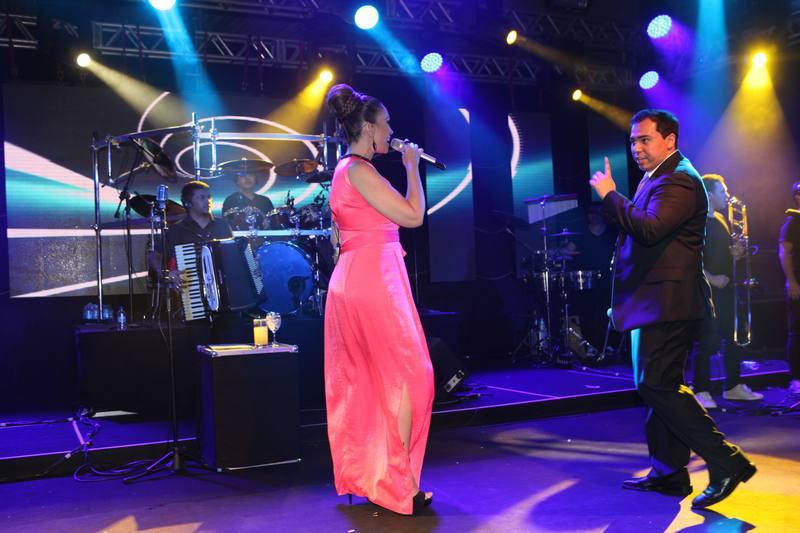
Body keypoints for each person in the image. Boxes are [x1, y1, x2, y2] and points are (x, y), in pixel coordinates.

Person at [589, 109, 756, 509]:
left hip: (669, 302)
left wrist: (611, 196)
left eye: (645, 139)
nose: (636, 148)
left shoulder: (679, 178)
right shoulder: (659, 175)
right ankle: (669, 472)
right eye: (633, 141)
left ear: (669, 140)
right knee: (655, 386)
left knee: (657, 386)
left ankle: (728, 461)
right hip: (653, 301)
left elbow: (649, 229)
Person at [323, 83, 434, 515]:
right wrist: (412, 167)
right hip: (373, 278)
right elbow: (413, 215)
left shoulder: (348, 171)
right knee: (409, 374)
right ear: (368, 127)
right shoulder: (357, 170)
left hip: (369, 274)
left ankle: (382, 479)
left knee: (378, 381)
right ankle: (397, 484)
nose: (391, 131)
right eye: (386, 123)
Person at [691, 174, 763, 408]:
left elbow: (724, 253)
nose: (727, 195)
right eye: (723, 191)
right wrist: (711, 278)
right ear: (710, 194)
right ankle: (701, 390)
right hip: (706, 290)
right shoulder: (697, 221)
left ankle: (733, 386)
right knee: (707, 341)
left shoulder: (721, 219)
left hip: (727, 289)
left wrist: (736, 253)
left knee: (734, 337)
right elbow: (690, 258)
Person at [778, 181, 800, 394]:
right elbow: (784, 252)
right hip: (798, 282)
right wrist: (791, 281)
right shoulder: (792, 222)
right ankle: (796, 378)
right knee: (797, 331)